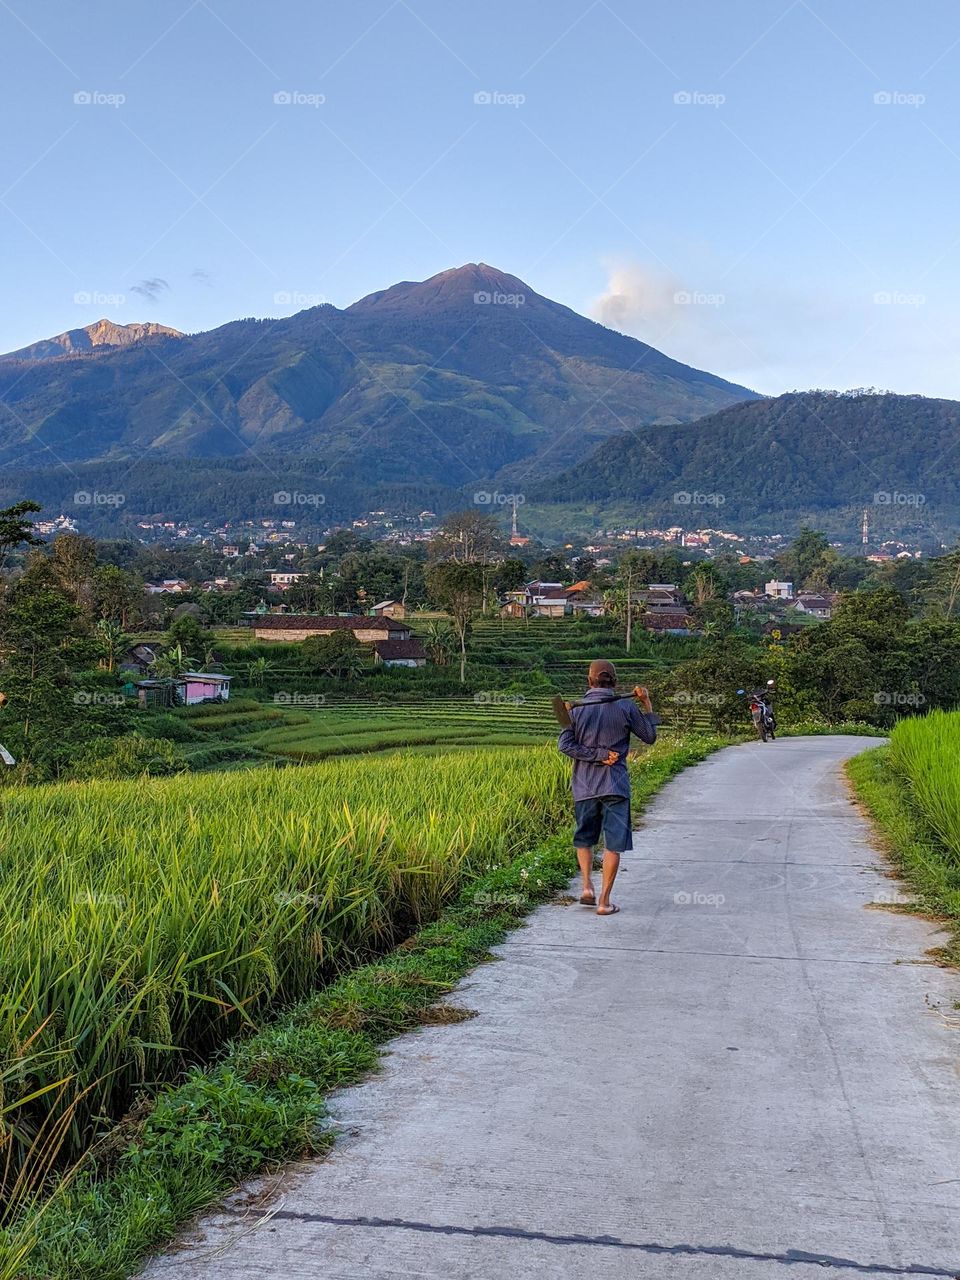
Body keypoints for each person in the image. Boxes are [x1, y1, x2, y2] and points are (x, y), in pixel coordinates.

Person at [557, 659, 657, 916]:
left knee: (584, 838)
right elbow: (650, 737)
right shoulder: (626, 706)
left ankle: (587, 886)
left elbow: (565, 745)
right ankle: (604, 901)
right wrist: (646, 703)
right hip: (615, 785)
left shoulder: (574, 709)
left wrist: (594, 754)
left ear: (589, 681)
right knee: (613, 844)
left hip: (584, 786)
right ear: (614, 682)